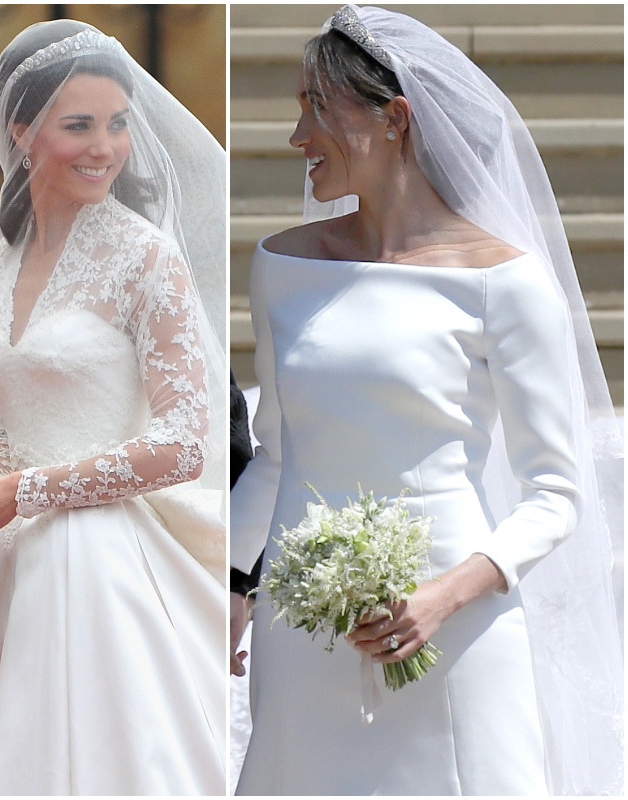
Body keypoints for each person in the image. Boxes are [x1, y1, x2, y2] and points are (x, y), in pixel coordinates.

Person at [230, 5, 623, 796]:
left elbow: (555, 492)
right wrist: (232, 590)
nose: (296, 136)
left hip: (453, 625)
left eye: (316, 106)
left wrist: (442, 599)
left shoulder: (505, 283)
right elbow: (273, 454)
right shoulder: (281, 263)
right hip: (302, 630)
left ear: (394, 119)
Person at [0, 19, 227, 796]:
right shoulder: (9, 244)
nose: (105, 147)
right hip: (11, 559)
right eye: (77, 124)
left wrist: (17, 494)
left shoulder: (145, 255)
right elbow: (18, 412)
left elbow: (185, 444)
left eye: (117, 123)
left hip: (101, 560)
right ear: (21, 131)